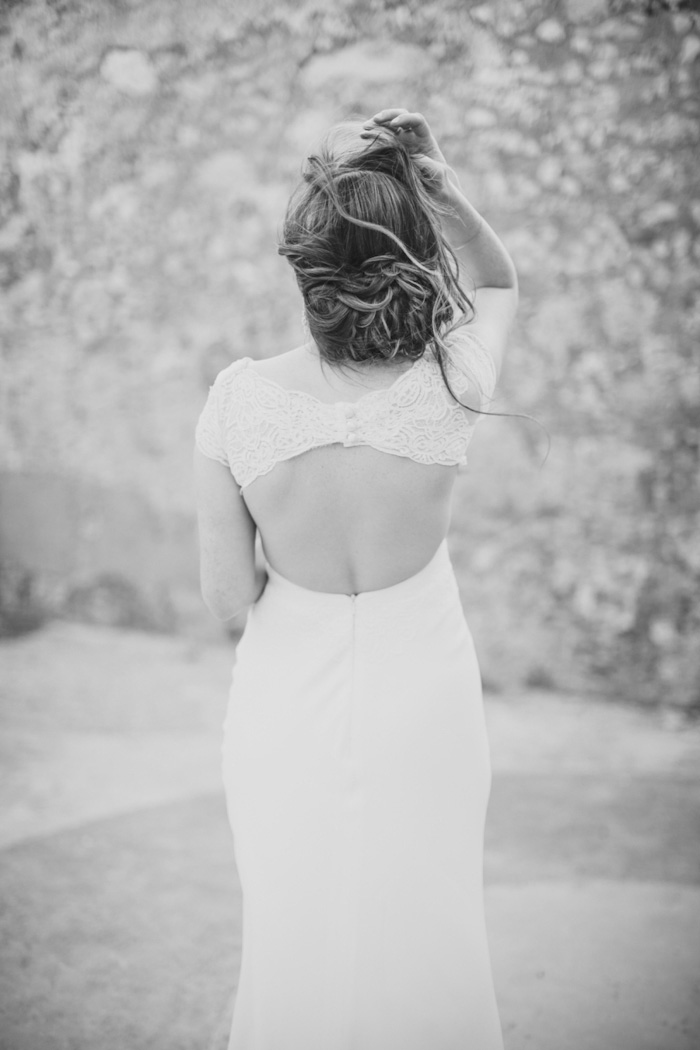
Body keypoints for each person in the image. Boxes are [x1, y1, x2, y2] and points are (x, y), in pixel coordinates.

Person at [193, 107, 517, 1050]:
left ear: (303, 270)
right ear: (410, 259)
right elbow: (496, 281)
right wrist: (440, 187)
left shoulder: (236, 402)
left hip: (283, 701)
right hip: (427, 701)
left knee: (296, 927)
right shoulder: (453, 381)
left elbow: (225, 601)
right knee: (428, 917)